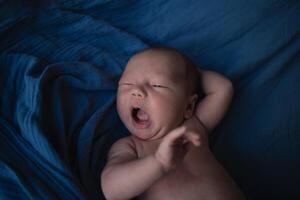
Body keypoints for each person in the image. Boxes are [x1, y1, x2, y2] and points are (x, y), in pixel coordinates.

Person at [101, 47, 245, 200]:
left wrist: (189, 73)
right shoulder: (130, 146)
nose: (137, 91)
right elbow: (112, 190)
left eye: (157, 85)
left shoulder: (194, 126)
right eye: (127, 84)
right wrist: (159, 163)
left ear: (188, 107)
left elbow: (223, 88)